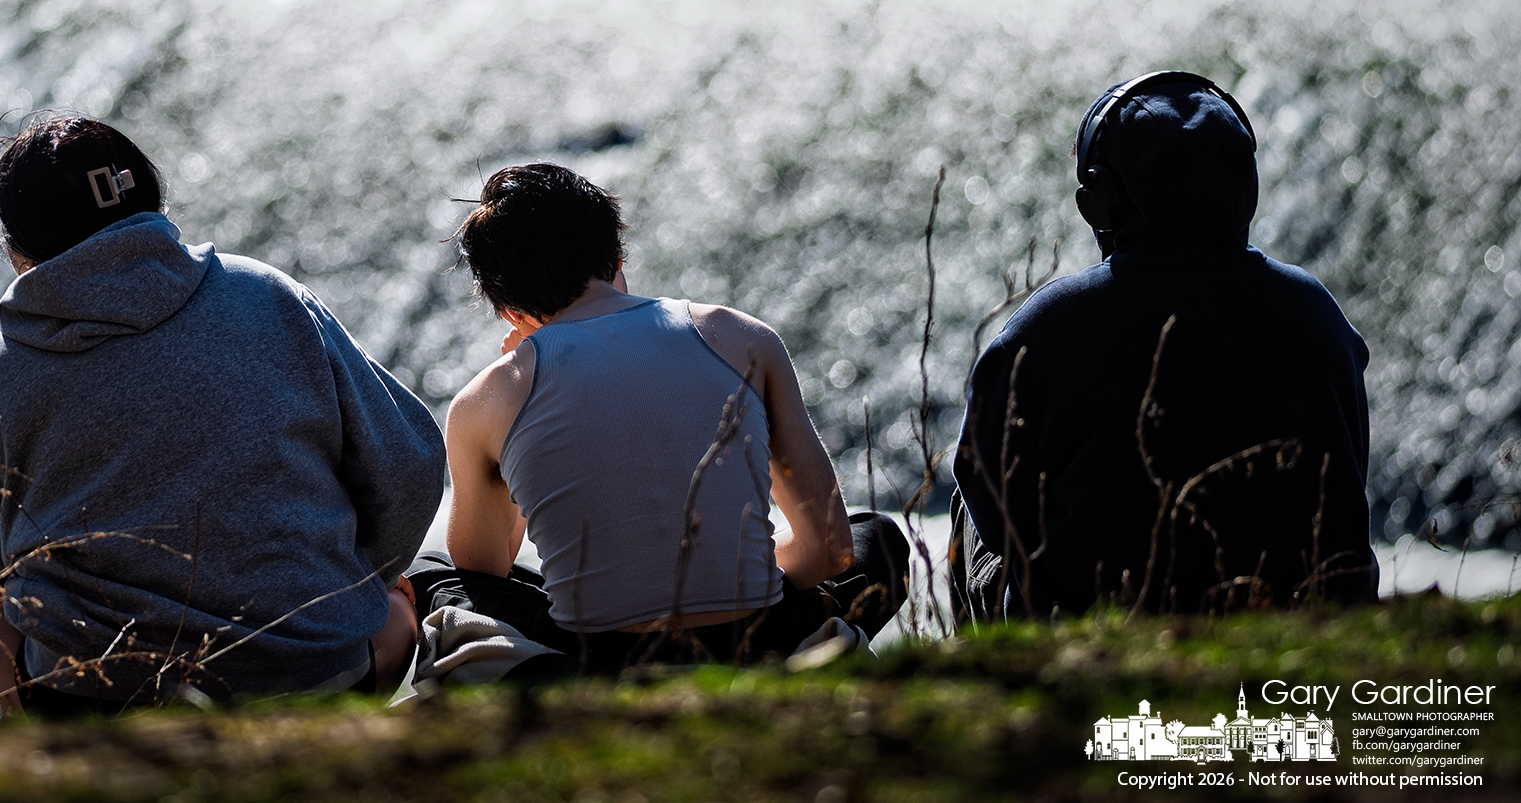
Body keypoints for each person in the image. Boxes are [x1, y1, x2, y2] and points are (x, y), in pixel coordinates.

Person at [0, 115, 444, 714]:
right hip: (317, 684)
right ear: (152, 203)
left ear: (17, 245)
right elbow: (410, 468)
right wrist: (347, 581)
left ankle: (48, 745)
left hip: (101, 705)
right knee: (394, 606)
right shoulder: (270, 296)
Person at [415, 162, 907, 674]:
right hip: (761, 639)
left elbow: (484, 569)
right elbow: (831, 551)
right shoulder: (742, 337)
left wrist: (517, 419)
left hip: (594, 660)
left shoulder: (484, 400)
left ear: (507, 310)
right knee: (879, 538)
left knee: (436, 576)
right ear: (615, 256)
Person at [951, 71, 1378, 618]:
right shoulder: (1316, 312)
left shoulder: (1048, 327)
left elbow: (994, 503)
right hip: (1304, 623)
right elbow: (1347, 474)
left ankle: (996, 681)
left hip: (1096, 630)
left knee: (967, 502)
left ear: (1099, 204)